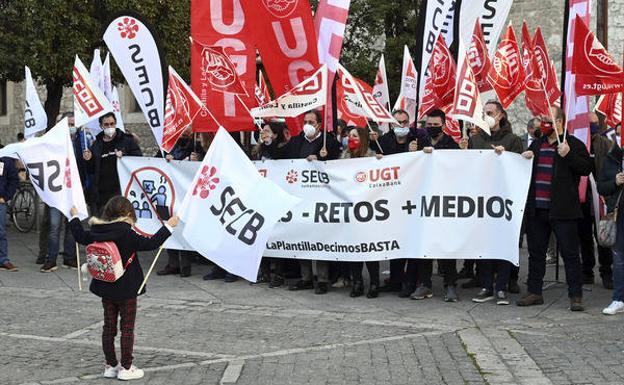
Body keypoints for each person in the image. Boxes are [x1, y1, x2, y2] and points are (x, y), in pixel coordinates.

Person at [68, 197, 179, 380]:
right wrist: (169, 226)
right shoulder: (126, 233)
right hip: (127, 288)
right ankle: (126, 368)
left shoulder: (97, 230)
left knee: (108, 327)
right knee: (127, 328)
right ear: (128, 214)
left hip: (106, 285)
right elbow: (150, 244)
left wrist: (73, 218)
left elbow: (80, 236)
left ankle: (110, 365)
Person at [517, 106, 592, 311]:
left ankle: (575, 295)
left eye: (547, 119)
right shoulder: (538, 144)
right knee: (536, 252)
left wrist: (568, 155)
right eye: (542, 119)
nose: (543, 123)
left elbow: (586, 168)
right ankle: (534, 291)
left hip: (563, 210)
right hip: (537, 209)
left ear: (560, 122)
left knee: (569, 254)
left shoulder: (573, 144)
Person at [260, 110, 341, 294]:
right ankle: (305, 278)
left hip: (321, 197)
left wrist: (322, 158)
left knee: (319, 238)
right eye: (305, 121)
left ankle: (322, 279)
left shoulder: (329, 142)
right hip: (300, 197)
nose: (307, 124)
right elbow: (280, 156)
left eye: (311, 121)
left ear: (319, 124)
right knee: (303, 237)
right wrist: (269, 142)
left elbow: (337, 165)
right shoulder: (296, 141)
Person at [461, 100, 523, 305]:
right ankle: (487, 285)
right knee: (484, 244)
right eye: (484, 112)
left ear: (500, 116)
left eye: (490, 112)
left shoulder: (512, 139)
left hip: (504, 200)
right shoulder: (476, 139)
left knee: (503, 243)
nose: (486, 115)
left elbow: (519, 167)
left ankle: (502, 286)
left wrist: (505, 157)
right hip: (481, 199)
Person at [370, 109, 429, 296]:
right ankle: (396, 279)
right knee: (394, 238)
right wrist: (378, 158)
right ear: (391, 123)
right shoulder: (385, 140)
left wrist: (419, 152)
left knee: (410, 240)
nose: (401, 126)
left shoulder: (419, 139)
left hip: (413, 197)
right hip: (392, 198)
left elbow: (428, 160)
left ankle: (410, 281)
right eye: (397, 123)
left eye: (404, 122)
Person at [405, 109, 460, 302]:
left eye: (436, 125)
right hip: (422, 201)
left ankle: (450, 285)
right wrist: (412, 154)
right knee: (424, 244)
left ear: (443, 125)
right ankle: (425, 284)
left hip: (444, 201)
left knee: (446, 245)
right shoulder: (419, 142)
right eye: (429, 125)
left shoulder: (452, 145)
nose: (432, 128)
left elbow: (457, 169)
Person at [341, 126, 382, 298]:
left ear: (363, 138)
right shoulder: (342, 159)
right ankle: (357, 282)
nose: (350, 138)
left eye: (355, 135)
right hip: (351, 210)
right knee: (354, 249)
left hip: (369, 209)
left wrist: (381, 161)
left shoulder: (373, 158)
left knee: (370, 249)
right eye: (349, 135)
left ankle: (374, 283)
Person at [577, 112, 613, 288]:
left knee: (603, 236)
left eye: (596, 123)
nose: (593, 126)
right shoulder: (578, 143)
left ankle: (606, 272)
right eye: (590, 123)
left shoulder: (606, 144)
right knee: (584, 236)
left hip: (601, 196)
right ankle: (587, 271)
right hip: (582, 197)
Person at [157, 128, 197, 278]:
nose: (184, 131)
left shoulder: (194, 144)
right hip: (169, 191)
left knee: (183, 225)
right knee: (168, 224)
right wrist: (165, 157)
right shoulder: (170, 143)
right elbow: (156, 159)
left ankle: (185, 264)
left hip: (185, 193)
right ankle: (173, 263)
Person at [83, 112, 142, 215]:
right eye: (106, 124)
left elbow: (138, 161)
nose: (110, 126)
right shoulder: (96, 144)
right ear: (101, 126)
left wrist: (124, 156)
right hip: (101, 195)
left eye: (112, 123)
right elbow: (91, 170)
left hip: (121, 192)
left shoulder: (126, 140)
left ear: (116, 123)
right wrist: (88, 160)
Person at [597, 141, 624, 314]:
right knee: (619, 258)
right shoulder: (612, 158)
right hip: (618, 214)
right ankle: (618, 299)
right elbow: (601, 187)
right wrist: (615, 181)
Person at [0, 155, 19, 272]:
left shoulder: (5, 159)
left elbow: (13, 179)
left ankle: (3, 260)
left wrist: (6, 197)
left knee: (1, 232)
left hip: (0, 202)